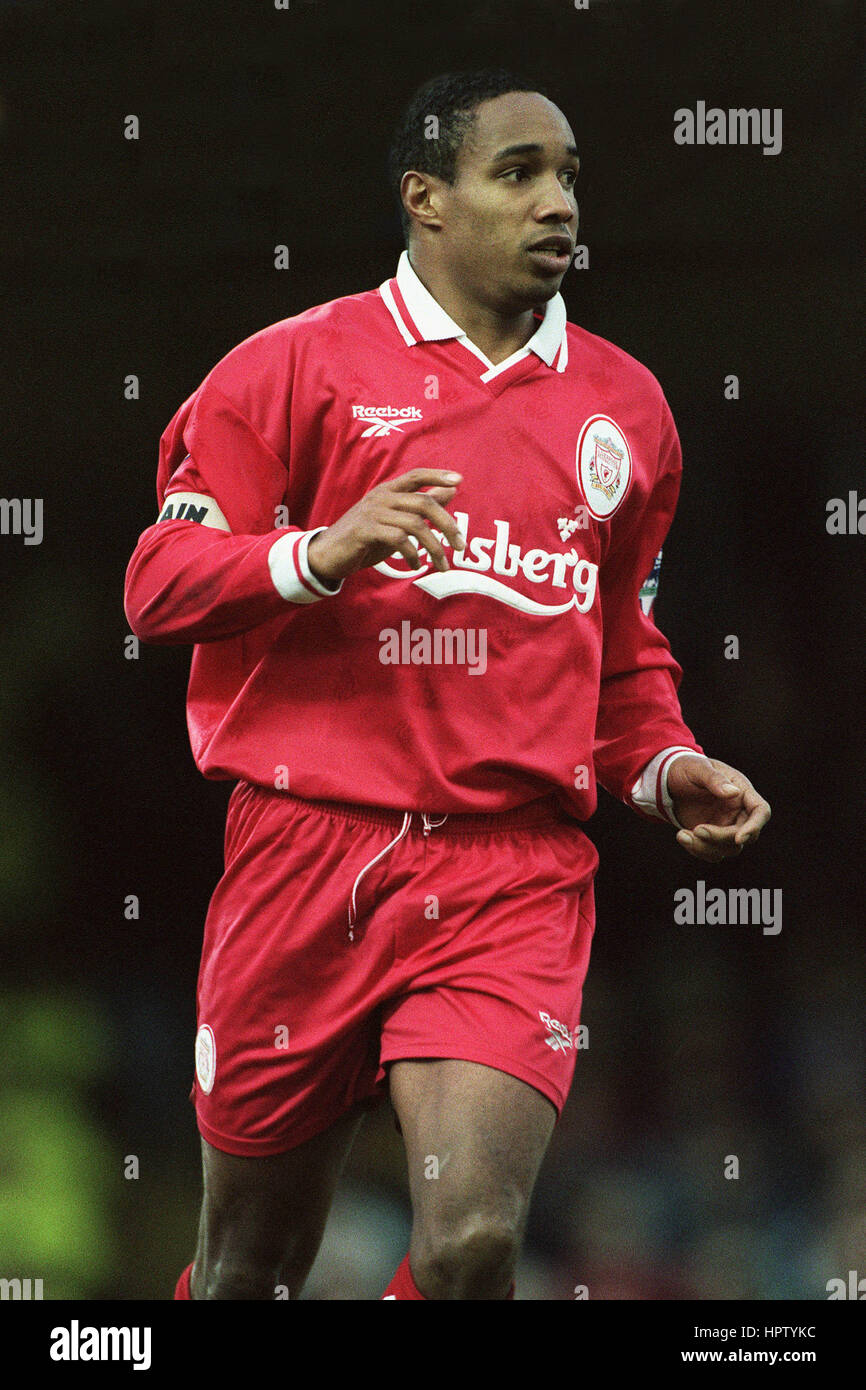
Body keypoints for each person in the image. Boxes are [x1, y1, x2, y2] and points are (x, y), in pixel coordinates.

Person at [124, 68, 771, 1301]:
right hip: (304, 852)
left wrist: (662, 762)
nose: (556, 203)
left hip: (509, 867)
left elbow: (621, 657)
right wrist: (323, 550)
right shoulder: (287, 367)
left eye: (568, 175)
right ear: (425, 199)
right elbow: (159, 585)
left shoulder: (625, 410)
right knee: (248, 1266)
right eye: (516, 173)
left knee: (471, 1242)